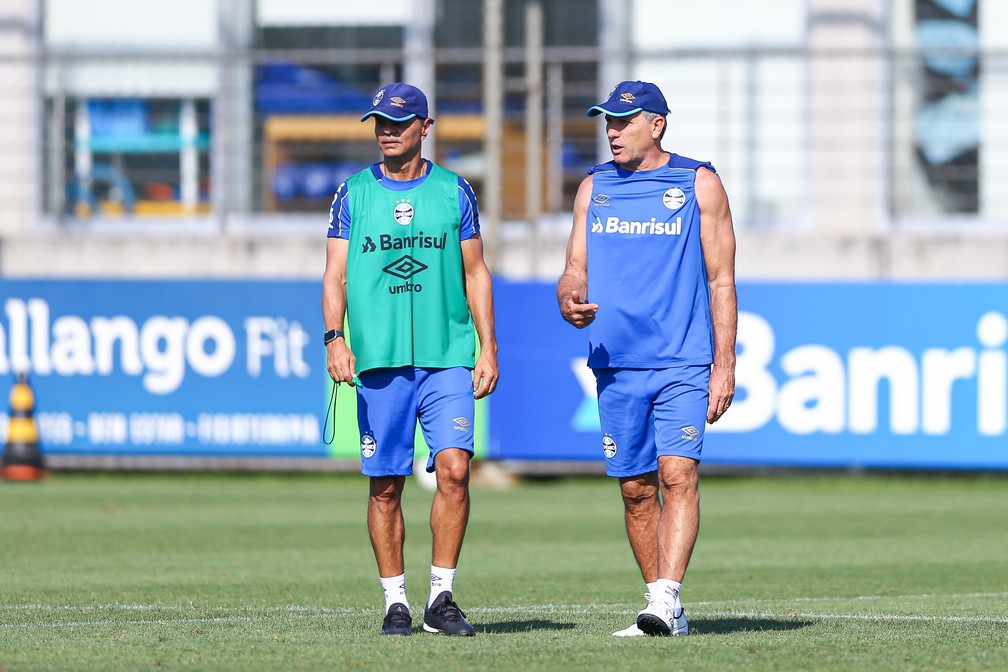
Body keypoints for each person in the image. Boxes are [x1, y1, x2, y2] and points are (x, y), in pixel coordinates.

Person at [557, 80, 737, 637]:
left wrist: (724, 364)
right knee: (636, 490)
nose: (611, 130)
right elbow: (573, 269)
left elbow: (721, 279)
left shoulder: (698, 183)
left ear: (656, 124)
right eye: (607, 120)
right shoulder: (593, 187)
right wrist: (568, 299)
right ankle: (665, 611)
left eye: (623, 120)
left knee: (677, 474)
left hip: (682, 359)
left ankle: (665, 598)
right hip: (614, 362)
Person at [322, 82, 499, 637]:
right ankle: (395, 601)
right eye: (379, 122)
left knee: (454, 469)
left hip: (448, 358)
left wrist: (488, 346)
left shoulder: (454, 191)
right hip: (379, 361)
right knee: (386, 485)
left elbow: (475, 272)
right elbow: (334, 275)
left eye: (398, 122)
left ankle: (441, 599)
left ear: (425, 127)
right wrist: (335, 339)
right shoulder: (352, 194)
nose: (387, 131)